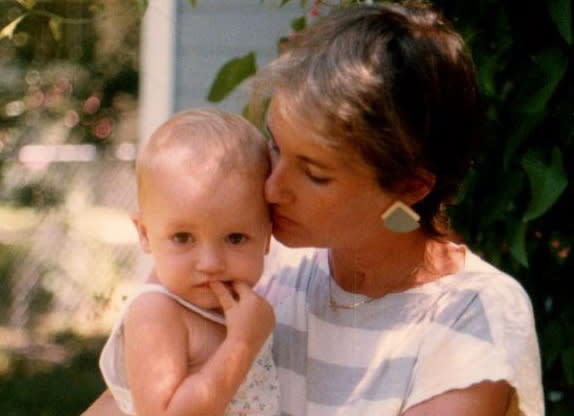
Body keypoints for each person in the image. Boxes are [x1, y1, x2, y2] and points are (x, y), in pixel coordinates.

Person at [82, 1, 544, 415]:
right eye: (276, 147)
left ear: (409, 187)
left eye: (314, 173)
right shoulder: (250, 261)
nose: (271, 188)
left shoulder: (473, 315)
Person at [97, 108, 280, 416]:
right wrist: (242, 345)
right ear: (144, 234)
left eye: (235, 238)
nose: (210, 263)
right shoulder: (156, 312)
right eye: (183, 238)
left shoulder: (244, 309)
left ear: (268, 238)